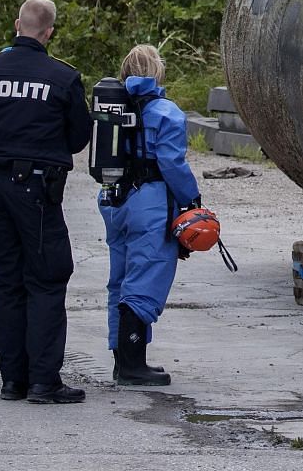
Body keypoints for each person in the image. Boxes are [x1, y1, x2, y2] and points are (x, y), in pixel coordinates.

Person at [0, 0, 90, 404]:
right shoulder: (62, 78)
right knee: (47, 279)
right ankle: (43, 381)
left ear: (17, 24)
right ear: (49, 32)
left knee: (8, 281)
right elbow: (78, 138)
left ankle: (12, 381)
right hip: (36, 192)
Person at [97, 43, 200, 388]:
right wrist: (192, 199)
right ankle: (132, 366)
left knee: (120, 281)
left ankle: (123, 361)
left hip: (114, 201)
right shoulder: (167, 113)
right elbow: (172, 163)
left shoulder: (111, 108)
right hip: (150, 203)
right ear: (157, 72)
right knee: (145, 281)